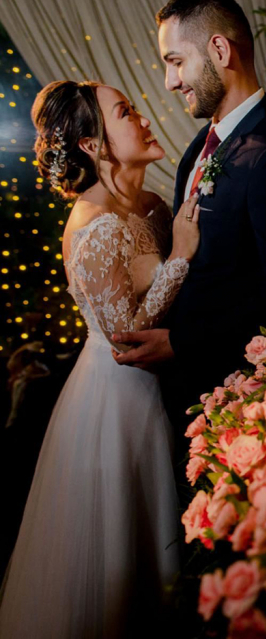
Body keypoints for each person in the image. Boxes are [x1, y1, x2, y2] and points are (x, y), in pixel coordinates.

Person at [0, 80, 198, 637]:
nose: (141, 119)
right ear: (93, 145)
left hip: (169, 386)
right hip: (117, 400)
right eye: (124, 112)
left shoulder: (154, 206)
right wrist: (180, 257)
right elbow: (127, 338)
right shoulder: (92, 225)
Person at [111, 0, 266, 445]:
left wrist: (181, 343)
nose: (170, 82)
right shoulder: (198, 147)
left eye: (175, 62)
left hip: (230, 405)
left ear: (220, 49)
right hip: (176, 395)